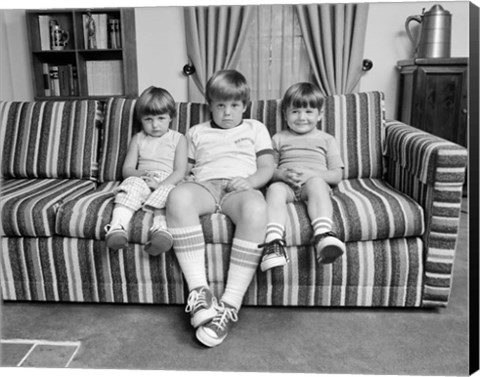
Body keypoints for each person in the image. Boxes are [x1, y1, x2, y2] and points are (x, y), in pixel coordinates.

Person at [166, 70, 274, 347]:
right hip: (204, 185)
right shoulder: (196, 132)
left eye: (234, 105)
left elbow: (267, 167)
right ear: (209, 105)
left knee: (256, 209)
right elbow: (183, 170)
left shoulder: (255, 128)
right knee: (178, 197)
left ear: (245, 106)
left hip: (238, 189)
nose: (227, 112)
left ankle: (229, 305)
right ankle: (200, 293)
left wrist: (249, 181)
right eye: (220, 105)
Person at [259, 82, 346, 272]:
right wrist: (281, 174)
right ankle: (273, 241)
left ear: (320, 115)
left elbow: (336, 174)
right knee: (274, 189)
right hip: (286, 185)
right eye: (295, 111)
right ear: (285, 115)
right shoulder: (278, 138)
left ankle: (323, 234)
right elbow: (268, 170)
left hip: (313, 185)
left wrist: (311, 174)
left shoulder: (326, 139)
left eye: (308, 112)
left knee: (316, 183)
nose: (301, 117)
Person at [104, 86, 187, 256]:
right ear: (140, 119)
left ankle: (161, 231)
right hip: (142, 176)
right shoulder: (138, 138)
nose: (155, 125)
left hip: (167, 179)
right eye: (148, 119)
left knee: (171, 194)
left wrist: (160, 184)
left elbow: (180, 171)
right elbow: (127, 170)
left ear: (171, 117)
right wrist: (141, 175)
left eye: (161, 118)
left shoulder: (178, 138)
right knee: (130, 186)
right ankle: (117, 227)